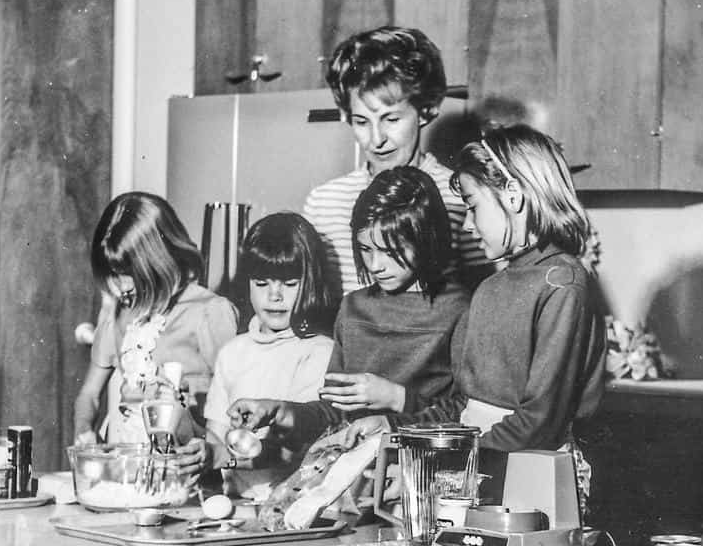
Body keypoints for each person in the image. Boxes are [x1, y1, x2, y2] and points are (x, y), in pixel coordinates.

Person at [345, 123, 607, 477]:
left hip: (532, 475)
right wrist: (396, 430)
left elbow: (540, 422)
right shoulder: (490, 287)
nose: (468, 224)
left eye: (473, 206)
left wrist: (448, 465)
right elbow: (462, 408)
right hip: (480, 466)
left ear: (513, 195)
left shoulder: (562, 283)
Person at [231, 165, 470, 446]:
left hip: (418, 469)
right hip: (352, 471)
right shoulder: (353, 308)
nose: (375, 265)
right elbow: (333, 415)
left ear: (426, 237)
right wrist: (280, 411)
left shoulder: (460, 310)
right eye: (366, 250)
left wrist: (396, 399)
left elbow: (467, 414)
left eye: (391, 251)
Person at [303, 25, 493, 297]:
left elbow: (482, 300)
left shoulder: (460, 196)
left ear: (426, 110)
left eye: (391, 119)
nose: (376, 139)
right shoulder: (323, 203)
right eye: (361, 122)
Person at [72, 191, 238, 447]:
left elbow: (234, 407)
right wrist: (84, 430)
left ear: (157, 259)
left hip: (188, 466)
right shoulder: (117, 313)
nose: (119, 286)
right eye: (111, 274)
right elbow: (89, 396)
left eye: (126, 273)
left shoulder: (208, 311)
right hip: (127, 462)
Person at [199, 212, 337, 498]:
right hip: (235, 501)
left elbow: (294, 453)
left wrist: (222, 457)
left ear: (311, 282)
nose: (274, 296)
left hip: (293, 504)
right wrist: (200, 449)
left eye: (289, 284)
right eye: (262, 283)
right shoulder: (232, 352)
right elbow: (216, 434)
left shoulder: (318, 351)